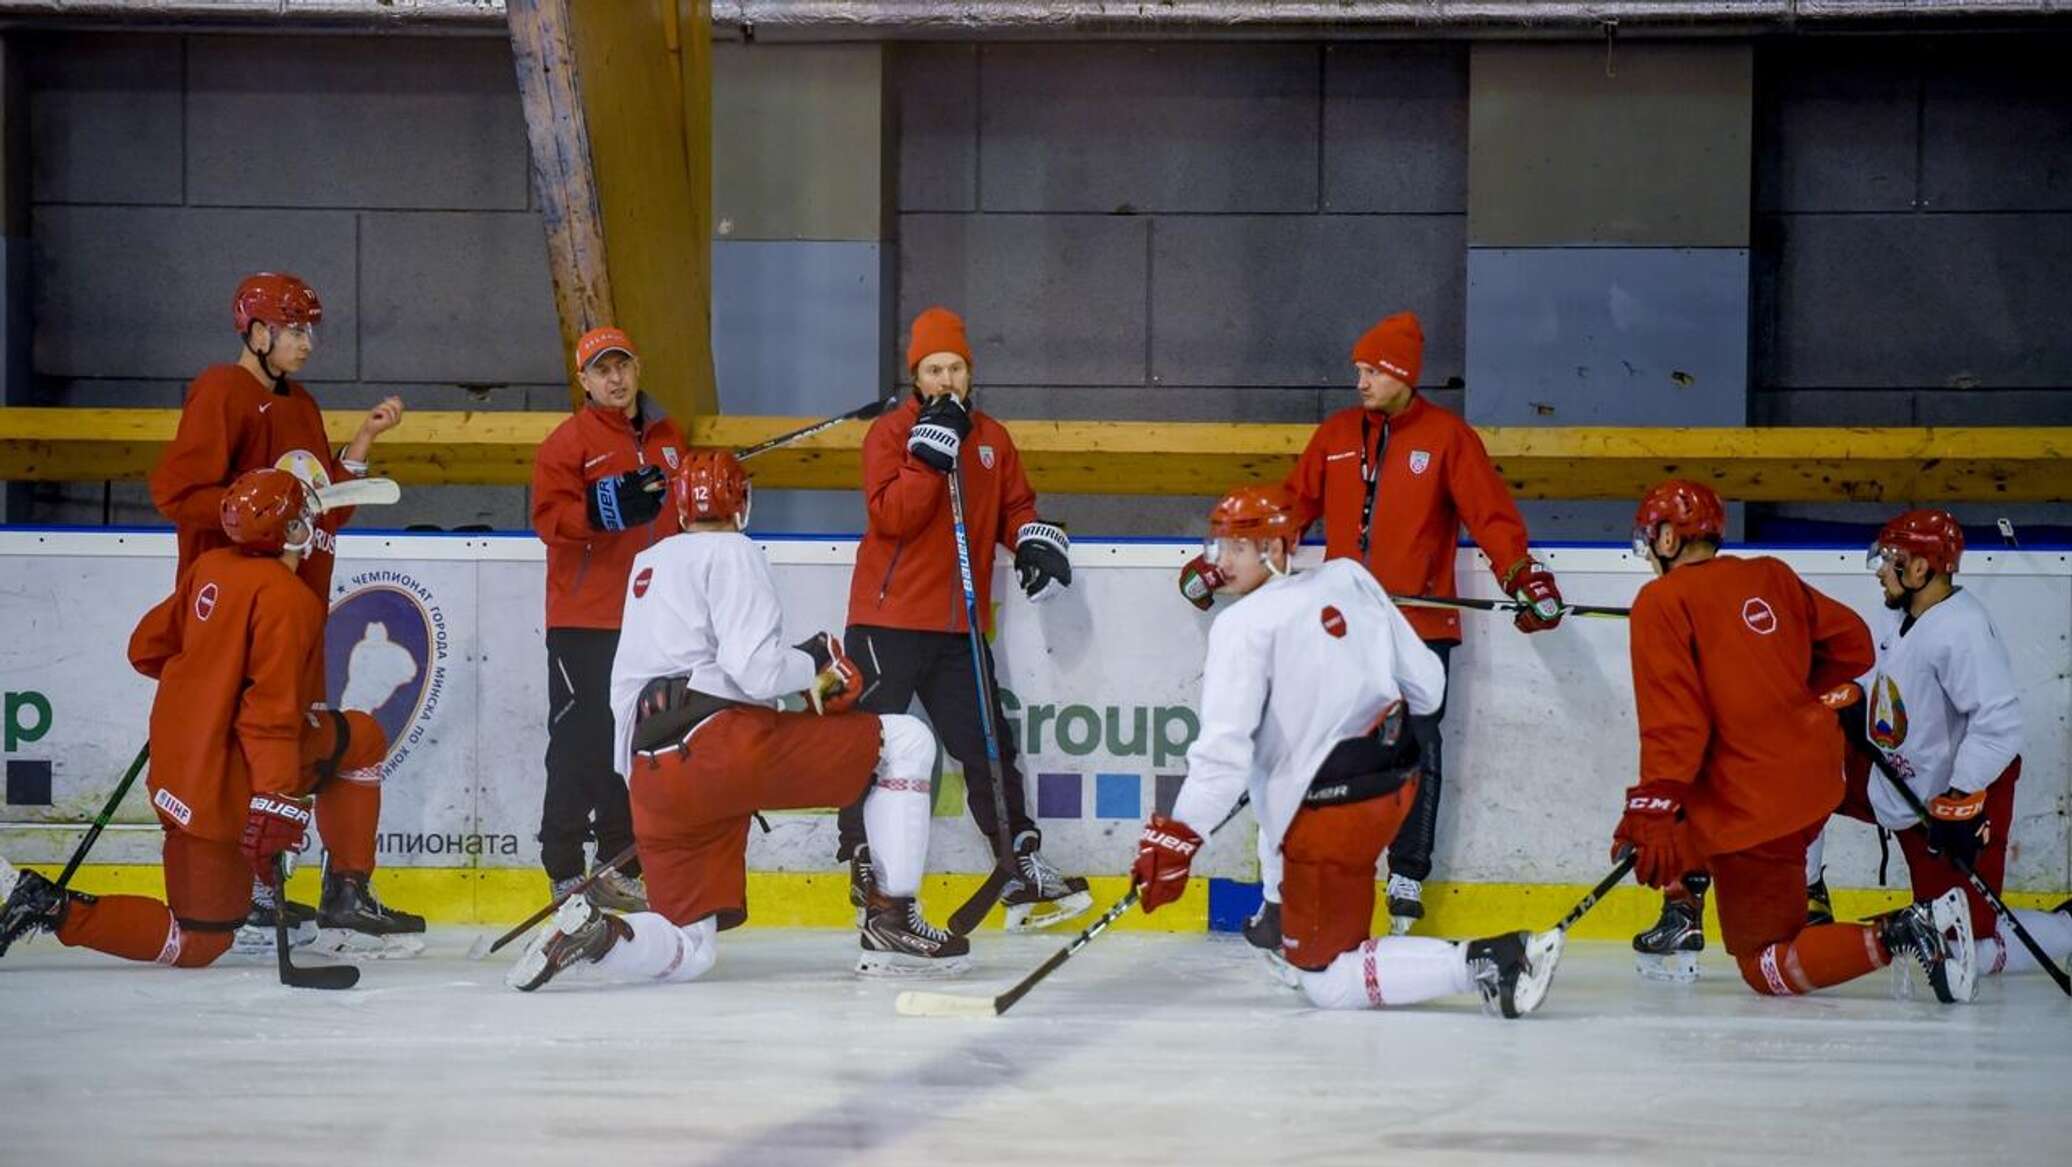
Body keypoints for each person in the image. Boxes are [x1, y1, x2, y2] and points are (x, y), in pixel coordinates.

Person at [507, 451, 967, 990]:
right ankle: (891, 920)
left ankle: (603, 936)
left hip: (650, 772)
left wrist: (647, 789)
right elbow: (754, 670)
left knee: (691, 948)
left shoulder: (647, 563)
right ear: (742, 503)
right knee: (907, 739)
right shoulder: (734, 552)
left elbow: (625, 687)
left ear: (679, 508)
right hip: (720, 749)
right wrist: (814, 663)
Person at [1136, 484, 1563, 1018]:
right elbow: (1429, 685)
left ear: (1275, 548)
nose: (1220, 560)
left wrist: (1180, 837)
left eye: (1237, 547)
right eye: (1218, 544)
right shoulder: (1349, 575)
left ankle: (1494, 959)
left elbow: (1222, 757)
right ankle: (1280, 914)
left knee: (1328, 983)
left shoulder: (1239, 626)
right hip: (1392, 786)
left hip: (1328, 817)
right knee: (1277, 793)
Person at [0, 470, 394, 967]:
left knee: (196, 942)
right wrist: (274, 800)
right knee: (364, 737)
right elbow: (268, 717)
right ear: (294, 530)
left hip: (176, 773)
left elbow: (146, 649)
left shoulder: (211, 565)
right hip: (229, 779)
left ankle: (52, 907)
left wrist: (208, 684)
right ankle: (347, 892)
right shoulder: (291, 600)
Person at [1613, 479, 1977, 1002]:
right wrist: (1783, 695)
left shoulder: (1659, 601)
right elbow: (1853, 643)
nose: (1648, 555)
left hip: (1756, 804)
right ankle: (1683, 908)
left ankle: (1907, 929)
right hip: (1814, 782)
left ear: (1668, 538)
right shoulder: (1771, 573)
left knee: (1766, 965)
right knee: (1688, 815)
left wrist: (1649, 807)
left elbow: (1676, 727)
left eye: (1649, 541)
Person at [1269, 310, 1563, 935]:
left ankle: (1407, 872)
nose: (1361, 382)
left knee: (1418, 749)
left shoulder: (1449, 438)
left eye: (1372, 370)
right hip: (1345, 627)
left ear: (1403, 373)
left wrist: (1524, 577)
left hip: (1422, 626)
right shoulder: (1336, 434)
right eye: (1358, 370)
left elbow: (1492, 518)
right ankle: (1333, 870)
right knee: (1337, 747)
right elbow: (1292, 506)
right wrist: (1239, 553)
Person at [147, 272, 418, 944]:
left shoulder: (302, 405)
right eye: (295, 329)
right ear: (257, 331)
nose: (307, 342)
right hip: (237, 615)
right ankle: (255, 886)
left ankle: (309, 887)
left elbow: (324, 506)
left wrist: (360, 445)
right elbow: (178, 492)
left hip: (293, 613)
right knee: (254, 750)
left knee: (288, 751)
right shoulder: (221, 390)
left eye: (309, 329)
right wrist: (256, 512)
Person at [835, 306, 1087, 933]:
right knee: (862, 747)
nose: (946, 380)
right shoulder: (889, 437)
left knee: (988, 746)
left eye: (955, 368)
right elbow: (892, 517)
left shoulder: (993, 440)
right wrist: (929, 458)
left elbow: (1015, 507)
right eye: (933, 369)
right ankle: (862, 859)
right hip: (886, 621)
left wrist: (1031, 540)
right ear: (915, 376)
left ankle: (1020, 859)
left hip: (957, 628)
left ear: (970, 372)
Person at [1817, 509, 2071, 978]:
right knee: (1799, 775)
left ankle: (2069, 927)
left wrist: (1962, 796)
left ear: (1920, 568)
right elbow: (1884, 672)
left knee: (1961, 945)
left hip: (1960, 795)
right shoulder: (1898, 612)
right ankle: (1811, 895)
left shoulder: (1963, 630)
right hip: (1896, 776)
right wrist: (1856, 692)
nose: (1879, 568)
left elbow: (1998, 724)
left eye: (1890, 559)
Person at [529, 326, 686, 912]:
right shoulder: (567, 444)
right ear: (584, 380)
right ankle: (564, 867)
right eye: (602, 370)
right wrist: (605, 503)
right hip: (585, 620)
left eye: (622, 366)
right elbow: (550, 521)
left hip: (652, 619)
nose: (615, 379)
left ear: (637, 368)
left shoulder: (669, 438)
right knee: (580, 742)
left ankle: (620, 862)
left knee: (638, 744)